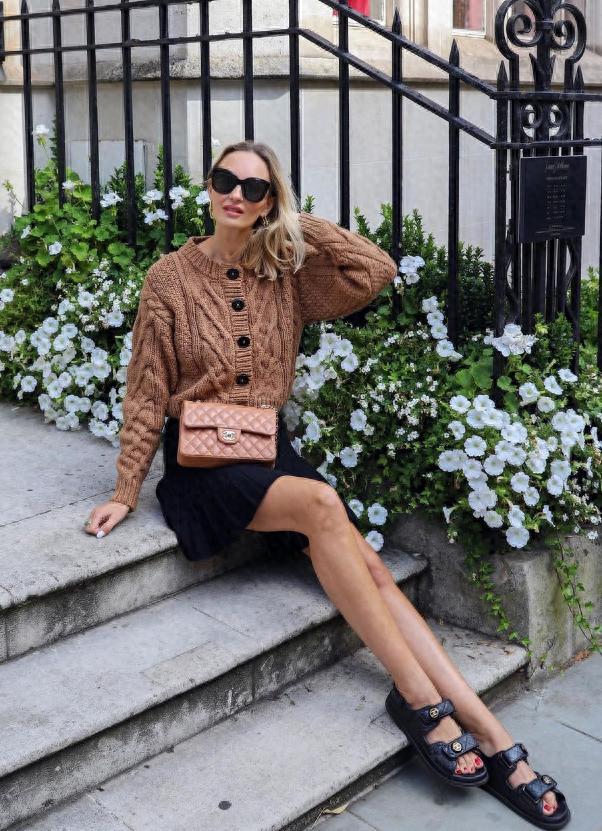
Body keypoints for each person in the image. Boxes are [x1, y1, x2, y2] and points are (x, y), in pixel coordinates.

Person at [84, 140, 569, 829]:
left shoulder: (286, 275)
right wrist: (124, 489)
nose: (237, 195)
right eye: (226, 180)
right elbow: (145, 387)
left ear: (270, 201)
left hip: (268, 449)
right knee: (321, 501)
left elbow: (375, 270)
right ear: (208, 185)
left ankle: (489, 732)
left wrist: (294, 221)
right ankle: (418, 699)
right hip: (203, 465)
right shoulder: (168, 279)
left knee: (368, 564)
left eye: (256, 188)